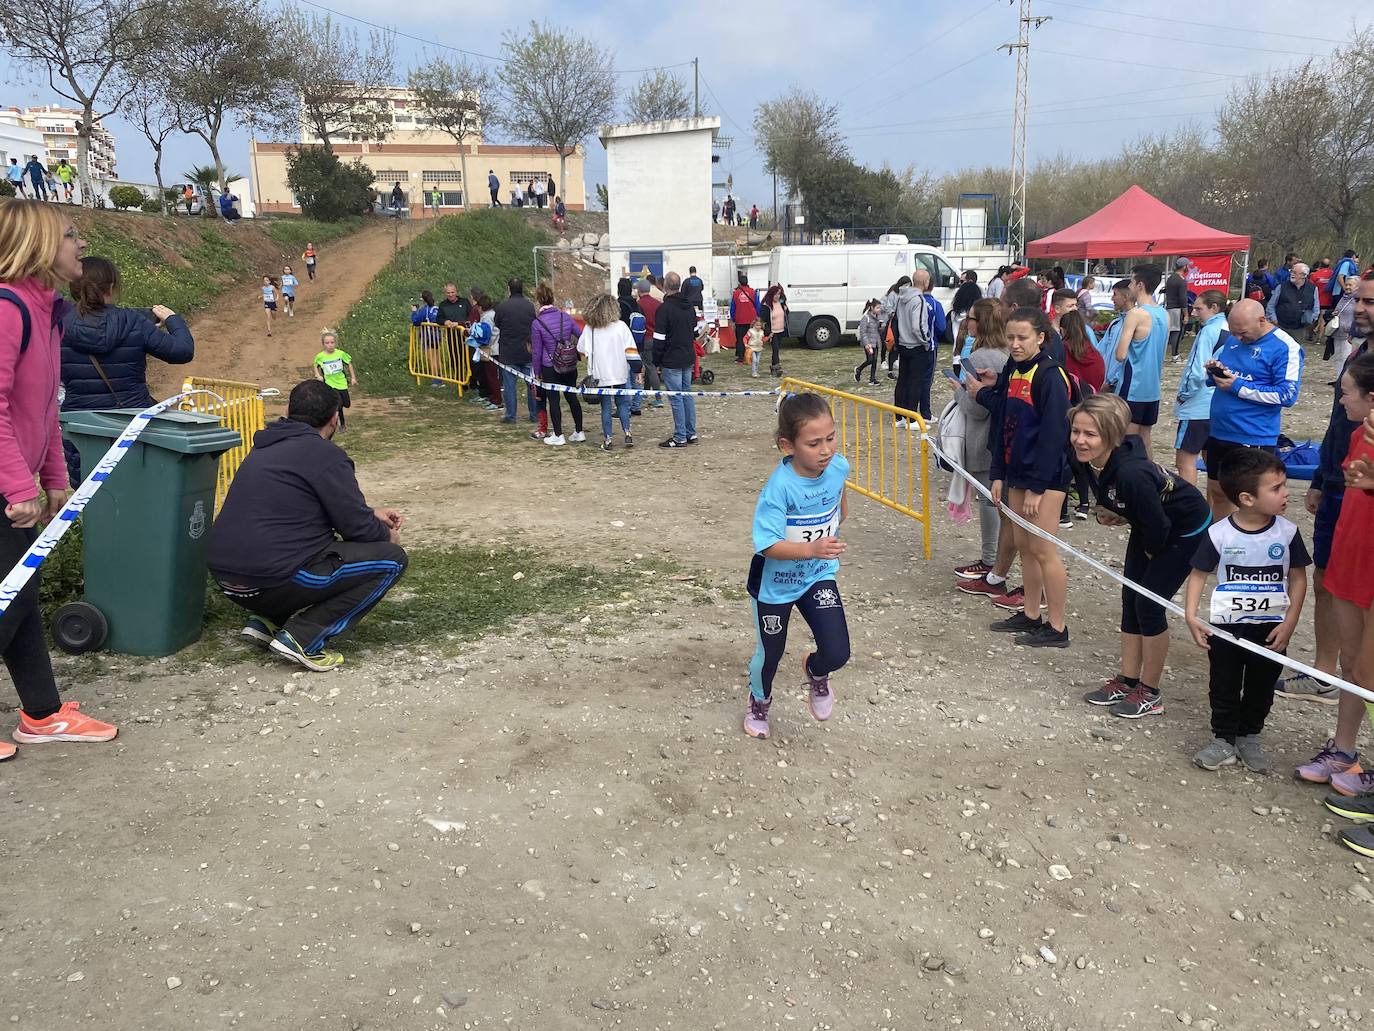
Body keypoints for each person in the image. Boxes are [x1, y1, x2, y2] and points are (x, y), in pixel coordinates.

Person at [0, 200, 118, 757]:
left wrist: (51, 476)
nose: (80, 244)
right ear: (38, 245)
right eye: (70, 234)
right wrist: (18, 487)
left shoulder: (44, 312)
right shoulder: (7, 309)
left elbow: (45, 408)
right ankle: (42, 712)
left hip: (18, 480)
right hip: (4, 487)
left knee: (21, 596)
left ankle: (42, 714)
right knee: (10, 598)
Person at [207, 380, 406, 671]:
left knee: (295, 547)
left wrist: (370, 512)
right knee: (392, 561)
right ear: (335, 418)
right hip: (272, 577)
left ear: (289, 410)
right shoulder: (326, 455)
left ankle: (267, 622)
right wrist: (388, 535)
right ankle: (304, 636)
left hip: (227, 579)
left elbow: (296, 507)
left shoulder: (264, 447)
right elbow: (357, 529)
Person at [1072, 395, 1212, 720]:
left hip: (1185, 530)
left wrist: (1151, 548)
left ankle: (1151, 692)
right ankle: (1128, 679)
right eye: (1076, 431)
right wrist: (1116, 513)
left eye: (1090, 434)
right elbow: (1137, 507)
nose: (1080, 439)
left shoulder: (1131, 472)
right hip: (1154, 524)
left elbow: (1158, 525)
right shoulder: (1094, 459)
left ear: (1111, 437)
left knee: (1148, 604)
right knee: (1129, 597)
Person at [1184, 449, 1309, 771]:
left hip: (1271, 628)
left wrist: (1290, 621)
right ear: (1247, 498)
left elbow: (1298, 578)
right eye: (1276, 488)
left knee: (1262, 685)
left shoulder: (1288, 533)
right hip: (1226, 626)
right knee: (1223, 684)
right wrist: (1191, 615)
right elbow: (1198, 574)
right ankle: (1223, 739)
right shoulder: (1219, 534)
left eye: (1284, 486)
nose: (1286, 494)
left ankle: (1250, 736)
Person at [743, 392, 851, 739]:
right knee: (771, 652)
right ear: (788, 445)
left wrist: (831, 527)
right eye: (814, 443)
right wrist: (813, 547)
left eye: (831, 438)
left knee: (837, 651)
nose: (826, 450)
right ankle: (759, 700)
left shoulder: (837, 467)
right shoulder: (779, 489)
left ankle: (816, 671)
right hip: (775, 585)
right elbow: (769, 545)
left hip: (818, 576)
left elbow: (839, 501)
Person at [1300, 355, 1374, 827]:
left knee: (1369, 670)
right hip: (1351, 551)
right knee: (1351, 666)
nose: (1341, 399)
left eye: (1347, 391)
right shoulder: (1354, 434)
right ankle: (1344, 751)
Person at [60, 255, 195, 485]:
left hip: (81, 426)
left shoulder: (57, 324)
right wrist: (173, 319)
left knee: (91, 499)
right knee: (135, 494)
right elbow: (182, 351)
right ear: (111, 287)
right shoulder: (133, 322)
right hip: (132, 425)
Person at [988, 306, 1072, 648]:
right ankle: (1032, 612)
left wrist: (1038, 485)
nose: (1015, 344)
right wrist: (998, 473)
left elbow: (1055, 434)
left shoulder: (1051, 376)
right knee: (1023, 546)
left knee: (1043, 549)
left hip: (1046, 479)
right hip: (1017, 473)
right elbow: (1003, 425)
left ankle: (1057, 625)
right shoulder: (1012, 370)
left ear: (1040, 337)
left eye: (1022, 337)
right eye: (1010, 337)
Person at [1204, 299, 1303, 518]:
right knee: (1218, 493)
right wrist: (1215, 373)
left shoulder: (1285, 346)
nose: (1238, 338)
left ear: (1262, 320)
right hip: (1219, 431)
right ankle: (1219, 546)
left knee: (1250, 503)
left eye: (1243, 333)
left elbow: (1286, 395)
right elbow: (1227, 373)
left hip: (1253, 435)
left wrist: (1237, 386)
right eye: (1233, 332)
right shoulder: (1233, 339)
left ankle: (1251, 547)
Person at [949, 302, 1011, 587]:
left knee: (990, 503)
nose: (967, 323)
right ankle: (995, 562)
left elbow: (977, 408)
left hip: (983, 441)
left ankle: (990, 563)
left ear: (980, 323)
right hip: (999, 441)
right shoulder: (1005, 354)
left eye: (970, 318)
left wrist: (958, 392)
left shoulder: (982, 356)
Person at [1174, 289, 1227, 488]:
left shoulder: (1208, 330)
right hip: (1218, 403)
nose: (1194, 313)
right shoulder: (1229, 327)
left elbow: (1197, 369)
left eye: (1198, 309)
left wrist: (1183, 396)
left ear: (1214, 308)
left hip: (1197, 405)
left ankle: (1189, 509)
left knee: (1185, 461)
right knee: (1213, 465)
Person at [1113, 264, 1169, 452]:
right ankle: (1151, 479)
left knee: (1126, 439)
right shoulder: (1164, 314)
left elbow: (1120, 355)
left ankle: (1127, 479)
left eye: (1131, 282)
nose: (1129, 287)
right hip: (1152, 388)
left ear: (1140, 285)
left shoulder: (1136, 314)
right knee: (1145, 438)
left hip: (1133, 387)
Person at [579, 292, 640, 451]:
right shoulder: (621, 327)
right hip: (619, 371)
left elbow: (580, 348)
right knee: (622, 404)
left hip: (600, 375)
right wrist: (638, 370)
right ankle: (627, 433)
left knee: (605, 407)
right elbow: (631, 352)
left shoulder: (590, 329)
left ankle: (608, 439)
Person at [885, 267, 946, 425]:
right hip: (917, 346)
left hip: (903, 344)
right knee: (915, 382)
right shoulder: (919, 300)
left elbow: (897, 320)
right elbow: (918, 325)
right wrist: (926, 340)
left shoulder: (901, 297)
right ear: (926, 283)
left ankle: (899, 416)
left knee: (903, 381)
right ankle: (911, 420)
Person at [1059, 309, 1104, 523]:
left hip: (1069, 409)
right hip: (1091, 407)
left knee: (1067, 458)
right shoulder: (1095, 354)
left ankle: (1063, 509)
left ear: (1064, 329)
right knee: (1084, 457)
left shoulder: (1062, 352)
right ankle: (1086, 503)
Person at [530, 282, 583, 446]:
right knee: (572, 397)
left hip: (550, 366)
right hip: (569, 363)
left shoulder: (537, 323)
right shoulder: (565, 317)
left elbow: (537, 351)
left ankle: (558, 434)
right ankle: (579, 431)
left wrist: (537, 372)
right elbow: (580, 334)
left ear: (539, 301)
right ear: (552, 298)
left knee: (553, 400)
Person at [653, 271, 699, 449]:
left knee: (676, 398)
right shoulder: (689, 307)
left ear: (664, 286)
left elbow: (659, 339)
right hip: (687, 356)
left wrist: (656, 361)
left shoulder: (664, 310)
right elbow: (694, 330)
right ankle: (690, 432)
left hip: (672, 359)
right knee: (686, 395)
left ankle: (680, 436)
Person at [495, 278, 538, 425]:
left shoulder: (502, 307)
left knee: (509, 386)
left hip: (508, 352)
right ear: (522, 289)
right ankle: (535, 414)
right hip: (527, 351)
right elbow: (534, 323)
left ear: (509, 289)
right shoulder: (529, 306)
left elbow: (498, 323)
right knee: (532, 384)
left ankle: (511, 415)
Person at [466, 290, 502, 412]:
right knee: (489, 376)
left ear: (481, 307)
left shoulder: (487, 317)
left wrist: (472, 333)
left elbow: (485, 334)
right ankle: (491, 397)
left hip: (492, 350)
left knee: (492, 377)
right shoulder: (492, 314)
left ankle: (497, 401)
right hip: (493, 349)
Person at [312, 330, 357, 430]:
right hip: (330, 383)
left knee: (346, 403)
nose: (330, 345)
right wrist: (317, 375)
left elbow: (349, 363)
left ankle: (333, 416)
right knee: (338, 404)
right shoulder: (320, 356)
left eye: (332, 342)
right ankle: (341, 424)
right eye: (327, 343)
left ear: (335, 343)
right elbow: (315, 364)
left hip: (341, 382)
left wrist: (353, 378)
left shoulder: (340, 354)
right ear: (323, 344)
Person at [1266, 261, 1319, 340]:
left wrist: (1310, 320)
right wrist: (1274, 320)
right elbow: (1271, 305)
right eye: (1291, 271)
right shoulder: (1281, 287)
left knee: (1294, 350)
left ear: (1303, 275)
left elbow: (1316, 308)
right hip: (1281, 326)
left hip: (1299, 330)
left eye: (1295, 272)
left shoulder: (1313, 289)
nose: (1292, 274)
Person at [634, 280, 665, 403]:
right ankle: (646, 391)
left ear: (639, 290)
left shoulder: (639, 304)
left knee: (650, 367)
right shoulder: (658, 304)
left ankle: (658, 397)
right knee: (649, 365)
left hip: (645, 338)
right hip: (656, 338)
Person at [410, 289, 442, 386]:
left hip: (428, 337)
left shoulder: (425, 310)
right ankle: (440, 379)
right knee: (437, 358)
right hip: (437, 337)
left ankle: (437, 381)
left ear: (423, 300)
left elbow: (416, 322)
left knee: (431, 359)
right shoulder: (437, 308)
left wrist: (414, 312)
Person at [1164, 257, 1190, 361]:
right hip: (1177, 309)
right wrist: (1186, 314)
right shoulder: (1181, 280)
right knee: (1177, 332)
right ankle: (1175, 355)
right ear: (1184, 266)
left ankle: (1173, 354)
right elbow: (1183, 298)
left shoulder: (1171, 278)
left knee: (1171, 332)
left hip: (1169, 307)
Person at [760, 283, 788, 376]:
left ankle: (773, 367)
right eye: (775, 294)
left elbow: (786, 314)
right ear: (771, 295)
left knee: (777, 350)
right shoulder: (766, 305)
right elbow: (763, 320)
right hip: (772, 332)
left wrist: (786, 309)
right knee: (775, 349)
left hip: (781, 330)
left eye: (778, 294)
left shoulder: (781, 303)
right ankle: (777, 368)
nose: (777, 296)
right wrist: (768, 332)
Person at [730, 272, 758, 363]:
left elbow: (733, 308)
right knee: (752, 338)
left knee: (740, 339)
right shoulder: (753, 292)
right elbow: (758, 305)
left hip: (740, 319)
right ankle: (752, 356)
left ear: (740, 283)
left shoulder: (736, 293)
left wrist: (733, 318)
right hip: (752, 320)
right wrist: (758, 317)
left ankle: (741, 357)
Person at [854, 298, 883, 385]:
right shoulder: (866, 318)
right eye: (877, 308)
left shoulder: (878, 318)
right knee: (870, 359)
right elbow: (863, 332)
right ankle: (859, 369)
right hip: (869, 343)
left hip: (876, 342)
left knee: (874, 361)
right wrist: (866, 343)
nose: (879, 309)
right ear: (871, 308)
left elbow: (878, 330)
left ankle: (872, 379)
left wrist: (882, 327)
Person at [951, 270, 981, 343]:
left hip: (958, 349)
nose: (959, 284)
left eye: (961, 281)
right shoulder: (980, 313)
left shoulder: (955, 313)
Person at [1311, 257, 1335, 342]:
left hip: (1317, 299)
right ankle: (1320, 337)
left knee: (1316, 317)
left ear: (1321, 264)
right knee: (1322, 318)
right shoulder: (1332, 274)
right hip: (1328, 300)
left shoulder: (1315, 275)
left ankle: (1314, 334)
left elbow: (1311, 287)